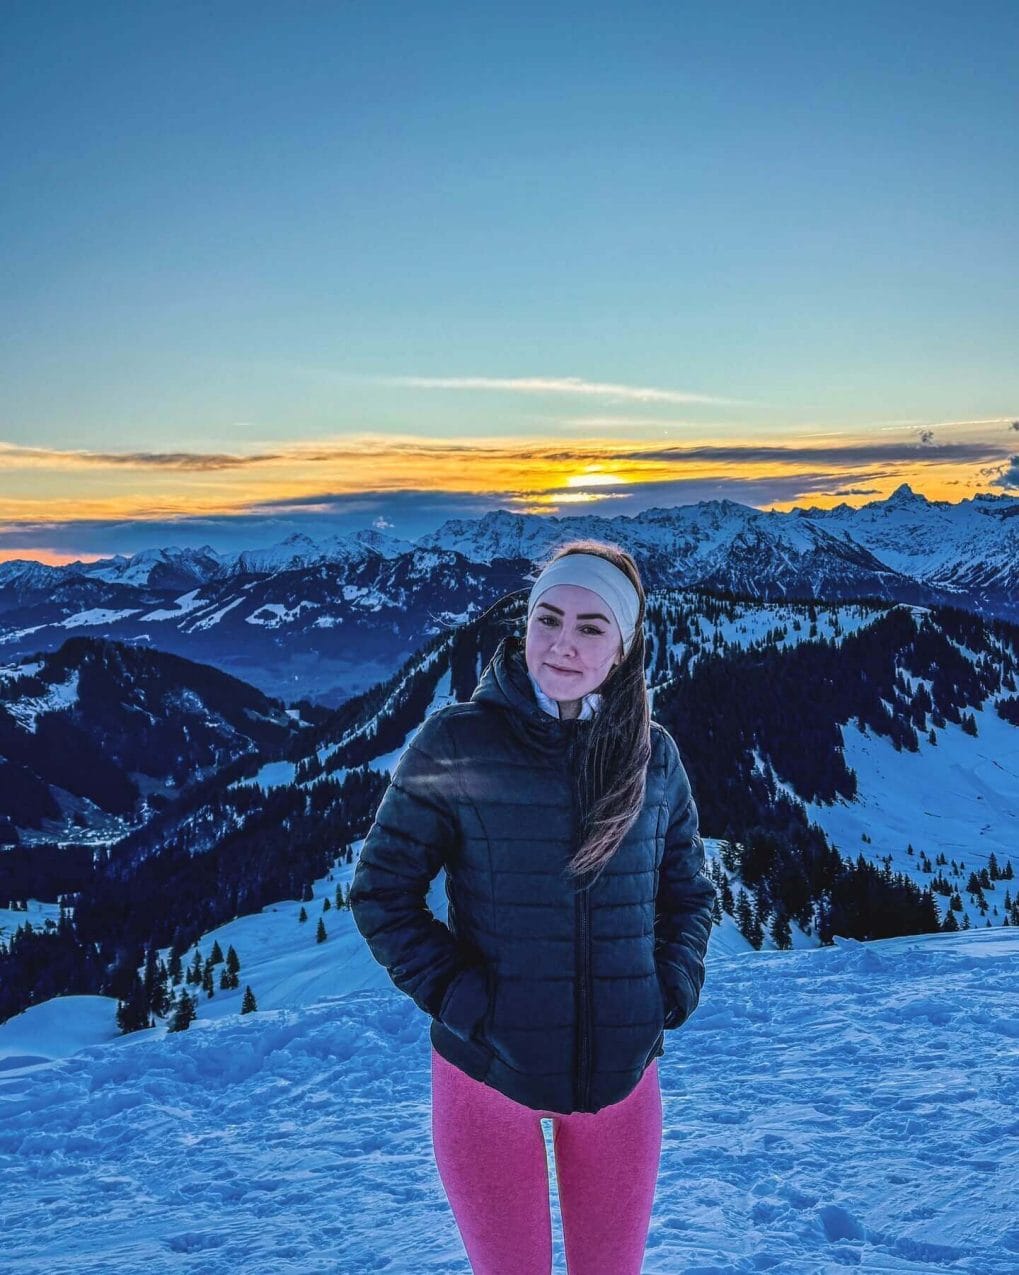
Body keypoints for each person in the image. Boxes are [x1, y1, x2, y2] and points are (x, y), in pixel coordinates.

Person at [349, 538, 715, 1275]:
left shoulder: (654, 754)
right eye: (547, 618)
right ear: (523, 625)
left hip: (621, 1079)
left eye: (589, 626)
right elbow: (380, 892)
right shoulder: (457, 742)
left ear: (623, 647)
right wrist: (467, 1001)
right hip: (487, 1077)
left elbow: (688, 891)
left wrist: (664, 992)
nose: (561, 643)